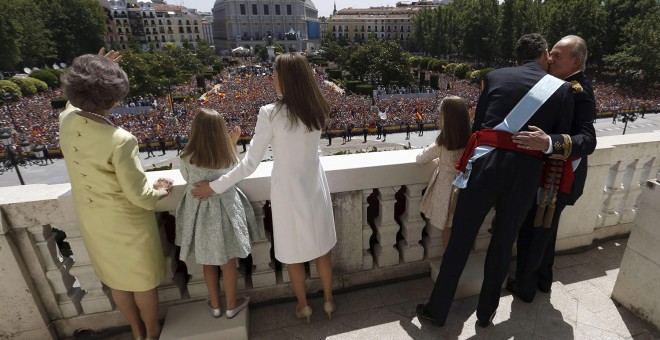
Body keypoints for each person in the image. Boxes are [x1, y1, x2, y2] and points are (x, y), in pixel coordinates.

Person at [416, 34, 574, 328]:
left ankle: (437, 311)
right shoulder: (562, 90)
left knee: (460, 240)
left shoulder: (493, 76)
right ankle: (486, 314)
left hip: (486, 166)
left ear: (516, 57)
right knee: (503, 244)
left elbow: (478, 129)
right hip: (526, 173)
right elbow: (558, 141)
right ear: (543, 53)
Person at [191, 53, 337, 323]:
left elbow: (249, 164)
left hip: (287, 190)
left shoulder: (270, 113)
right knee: (321, 249)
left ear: (286, 78)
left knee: (293, 255)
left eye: (275, 73)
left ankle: (303, 305)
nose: (272, 78)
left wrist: (215, 186)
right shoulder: (319, 107)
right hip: (315, 184)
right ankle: (328, 301)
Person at [59, 49, 173, 340]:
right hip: (126, 223)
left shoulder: (67, 121)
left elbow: (72, 103)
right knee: (143, 283)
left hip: (93, 221)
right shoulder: (120, 140)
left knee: (117, 281)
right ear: (116, 97)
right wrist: (159, 190)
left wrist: (96, 67)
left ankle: (135, 331)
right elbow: (139, 195)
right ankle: (151, 332)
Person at [508, 35, 597, 302]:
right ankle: (543, 280)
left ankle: (525, 288)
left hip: (556, 177)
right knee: (545, 232)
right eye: (551, 53)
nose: (550, 58)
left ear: (576, 61)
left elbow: (588, 140)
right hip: (552, 176)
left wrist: (547, 142)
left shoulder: (578, 90)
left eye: (558, 55)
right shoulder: (561, 84)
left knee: (533, 232)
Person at [175, 108, 260, 319]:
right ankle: (232, 305)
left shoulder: (187, 157)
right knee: (229, 262)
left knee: (208, 262)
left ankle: (214, 305)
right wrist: (232, 142)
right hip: (227, 212)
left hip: (201, 213)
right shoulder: (227, 155)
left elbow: (187, 179)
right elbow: (234, 172)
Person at [416, 96, 471, 248]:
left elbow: (420, 158)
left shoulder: (443, 142)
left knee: (447, 226)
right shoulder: (471, 139)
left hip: (447, 186)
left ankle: (449, 260)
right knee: (460, 225)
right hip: (465, 184)